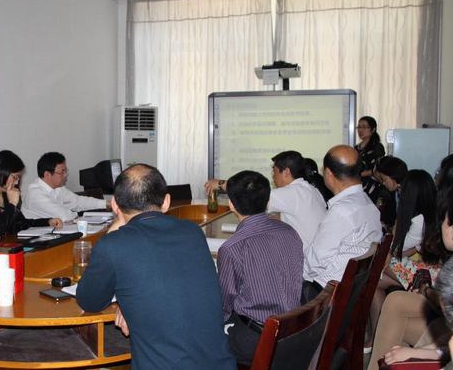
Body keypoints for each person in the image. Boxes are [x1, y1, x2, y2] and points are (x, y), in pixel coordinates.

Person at [76, 164, 235, 370]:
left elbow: (89, 301)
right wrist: (129, 304)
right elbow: (171, 283)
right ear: (166, 202)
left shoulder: (113, 245)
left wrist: (112, 230)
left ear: (115, 205)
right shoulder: (192, 232)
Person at [217, 170, 304, 365]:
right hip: (294, 330)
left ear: (231, 204)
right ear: (267, 201)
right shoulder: (289, 232)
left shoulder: (232, 248)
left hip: (258, 337)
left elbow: (224, 306)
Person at [367, 191, 453, 369]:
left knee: (395, 319)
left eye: (444, 218)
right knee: (396, 301)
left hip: (445, 333)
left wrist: (419, 353)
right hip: (443, 325)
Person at [304, 145, 383, 294]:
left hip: (324, 294)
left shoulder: (342, 211)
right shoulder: (368, 204)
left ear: (328, 173)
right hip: (349, 290)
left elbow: (314, 264)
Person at [0, 150, 62, 235]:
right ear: (2, 173)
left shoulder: (6, 194)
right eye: (15, 177)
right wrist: (12, 204)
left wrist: (47, 222)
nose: (17, 182)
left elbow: (20, 223)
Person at [267, 151, 326, 254]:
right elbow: (296, 217)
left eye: (274, 171)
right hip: (318, 254)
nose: (273, 176)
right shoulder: (312, 190)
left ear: (286, 172)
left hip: (306, 260)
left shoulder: (290, 192)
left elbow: (252, 200)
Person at [23, 152, 107, 221]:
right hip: (36, 234)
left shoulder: (58, 188)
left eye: (66, 170)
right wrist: (80, 215)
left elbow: (78, 201)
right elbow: (63, 216)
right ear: (47, 174)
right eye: (62, 172)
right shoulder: (35, 194)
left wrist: (106, 203)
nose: (66, 175)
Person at [355, 115, 385, 181]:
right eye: (359, 127)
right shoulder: (356, 148)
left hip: (372, 183)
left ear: (373, 129)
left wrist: (358, 175)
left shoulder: (377, 147)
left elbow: (378, 168)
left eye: (364, 127)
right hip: (357, 182)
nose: (360, 130)